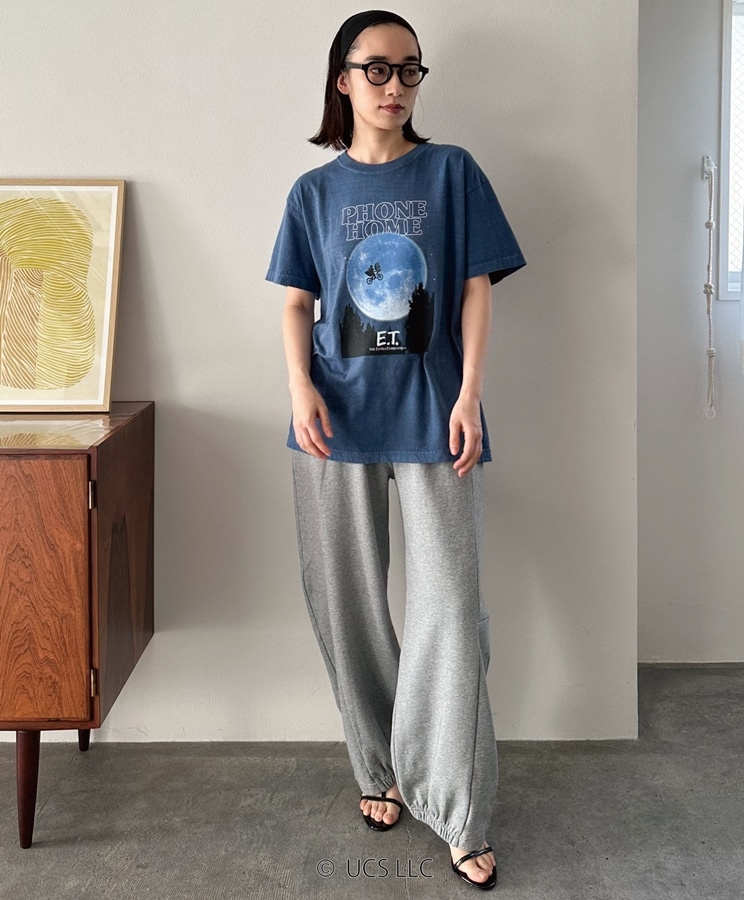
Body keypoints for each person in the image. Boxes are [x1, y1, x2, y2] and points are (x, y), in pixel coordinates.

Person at [266, 10, 525, 891]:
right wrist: (299, 388)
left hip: (434, 412)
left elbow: (476, 289)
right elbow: (296, 301)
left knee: (451, 607)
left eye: (410, 69)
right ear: (342, 80)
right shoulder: (313, 192)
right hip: (332, 419)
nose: (394, 84)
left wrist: (470, 392)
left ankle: (457, 805)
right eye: (376, 68)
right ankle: (377, 765)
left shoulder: (452, 172)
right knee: (345, 598)